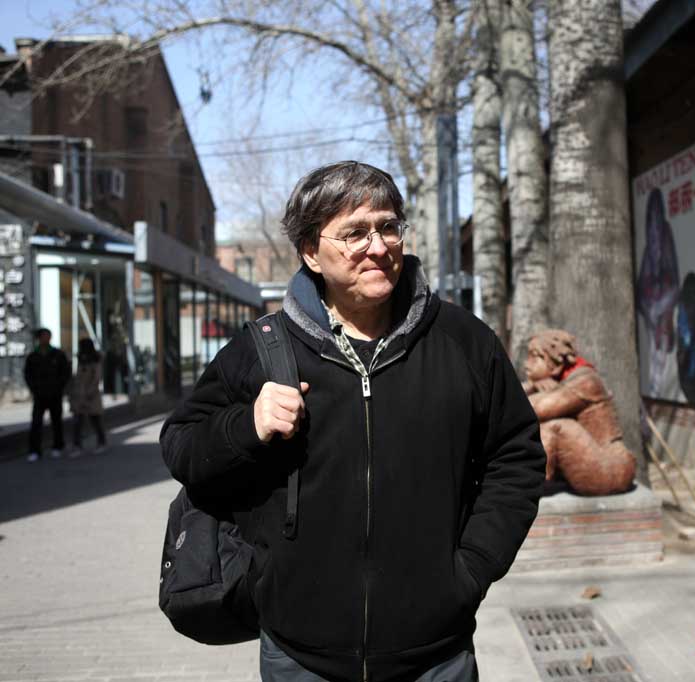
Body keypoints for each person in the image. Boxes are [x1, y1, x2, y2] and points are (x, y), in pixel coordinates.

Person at [160, 161, 546, 682]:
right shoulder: (262, 348)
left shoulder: (463, 342)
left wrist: (471, 568)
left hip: (436, 653)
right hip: (299, 654)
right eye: (354, 233)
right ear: (310, 253)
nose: (378, 246)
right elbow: (181, 444)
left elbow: (515, 458)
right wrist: (245, 426)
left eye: (388, 227)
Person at [522, 330, 636, 496]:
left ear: (555, 361)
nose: (527, 364)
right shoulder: (560, 381)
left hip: (611, 468)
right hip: (597, 465)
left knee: (554, 427)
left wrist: (530, 387)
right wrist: (531, 386)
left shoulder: (586, 382)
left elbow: (533, 411)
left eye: (535, 356)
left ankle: (526, 487)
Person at [24, 327, 70, 461]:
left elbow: (65, 372)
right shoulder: (33, 356)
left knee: (56, 422)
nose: (46, 338)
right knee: (36, 422)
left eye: (48, 336)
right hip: (39, 395)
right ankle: (34, 451)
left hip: (55, 394)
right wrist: (34, 388)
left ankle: (58, 447)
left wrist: (59, 387)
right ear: (39, 338)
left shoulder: (58, 354)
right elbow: (28, 374)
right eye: (43, 336)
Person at [67, 338, 107, 456]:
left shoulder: (95, 359)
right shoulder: (80, 359)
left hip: (91, 396)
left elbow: (96, 378)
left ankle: (101, 443)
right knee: (77, 422)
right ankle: (77, 446)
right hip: (79, 396)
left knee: (95, 420)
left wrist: (89, 392)